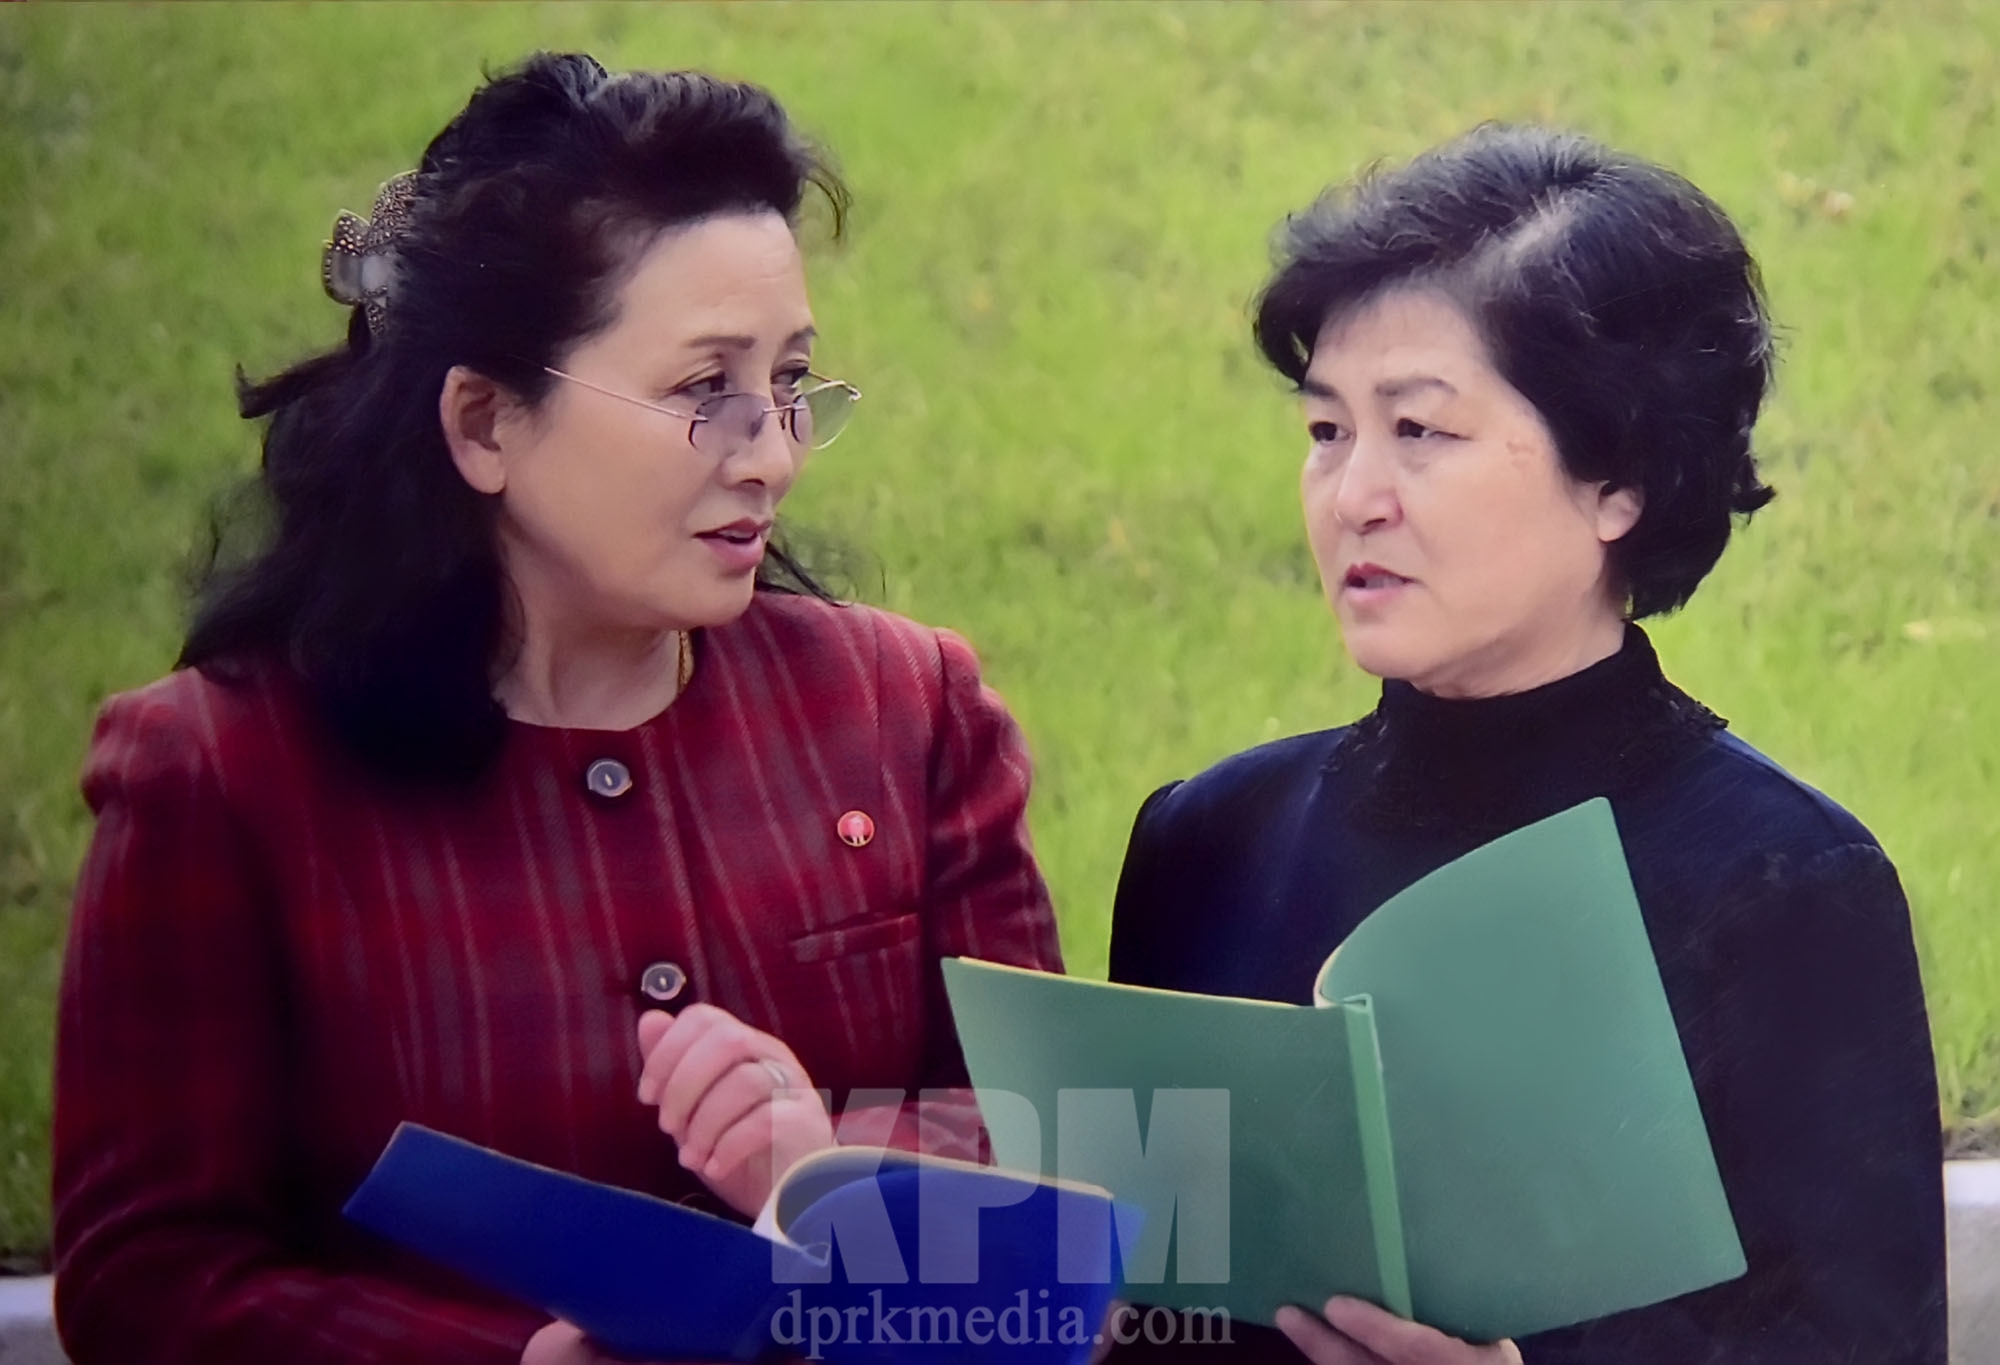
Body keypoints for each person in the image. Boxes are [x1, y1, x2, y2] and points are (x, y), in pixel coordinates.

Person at [51, 52, 1062, 1365]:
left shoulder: (905, 711)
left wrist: (828, 1173)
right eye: (703, 390)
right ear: (484, 422)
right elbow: (146, 1278)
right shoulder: (219, 772)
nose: (771, 451)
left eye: (789, 381)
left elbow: (1054, 1164)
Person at [1106, 125, 1945, 1363]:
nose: (1353, 497)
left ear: (1617, 479)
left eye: (1419, 431)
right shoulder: (1204, 841)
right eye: (1326, 432)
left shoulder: (1785, 884)